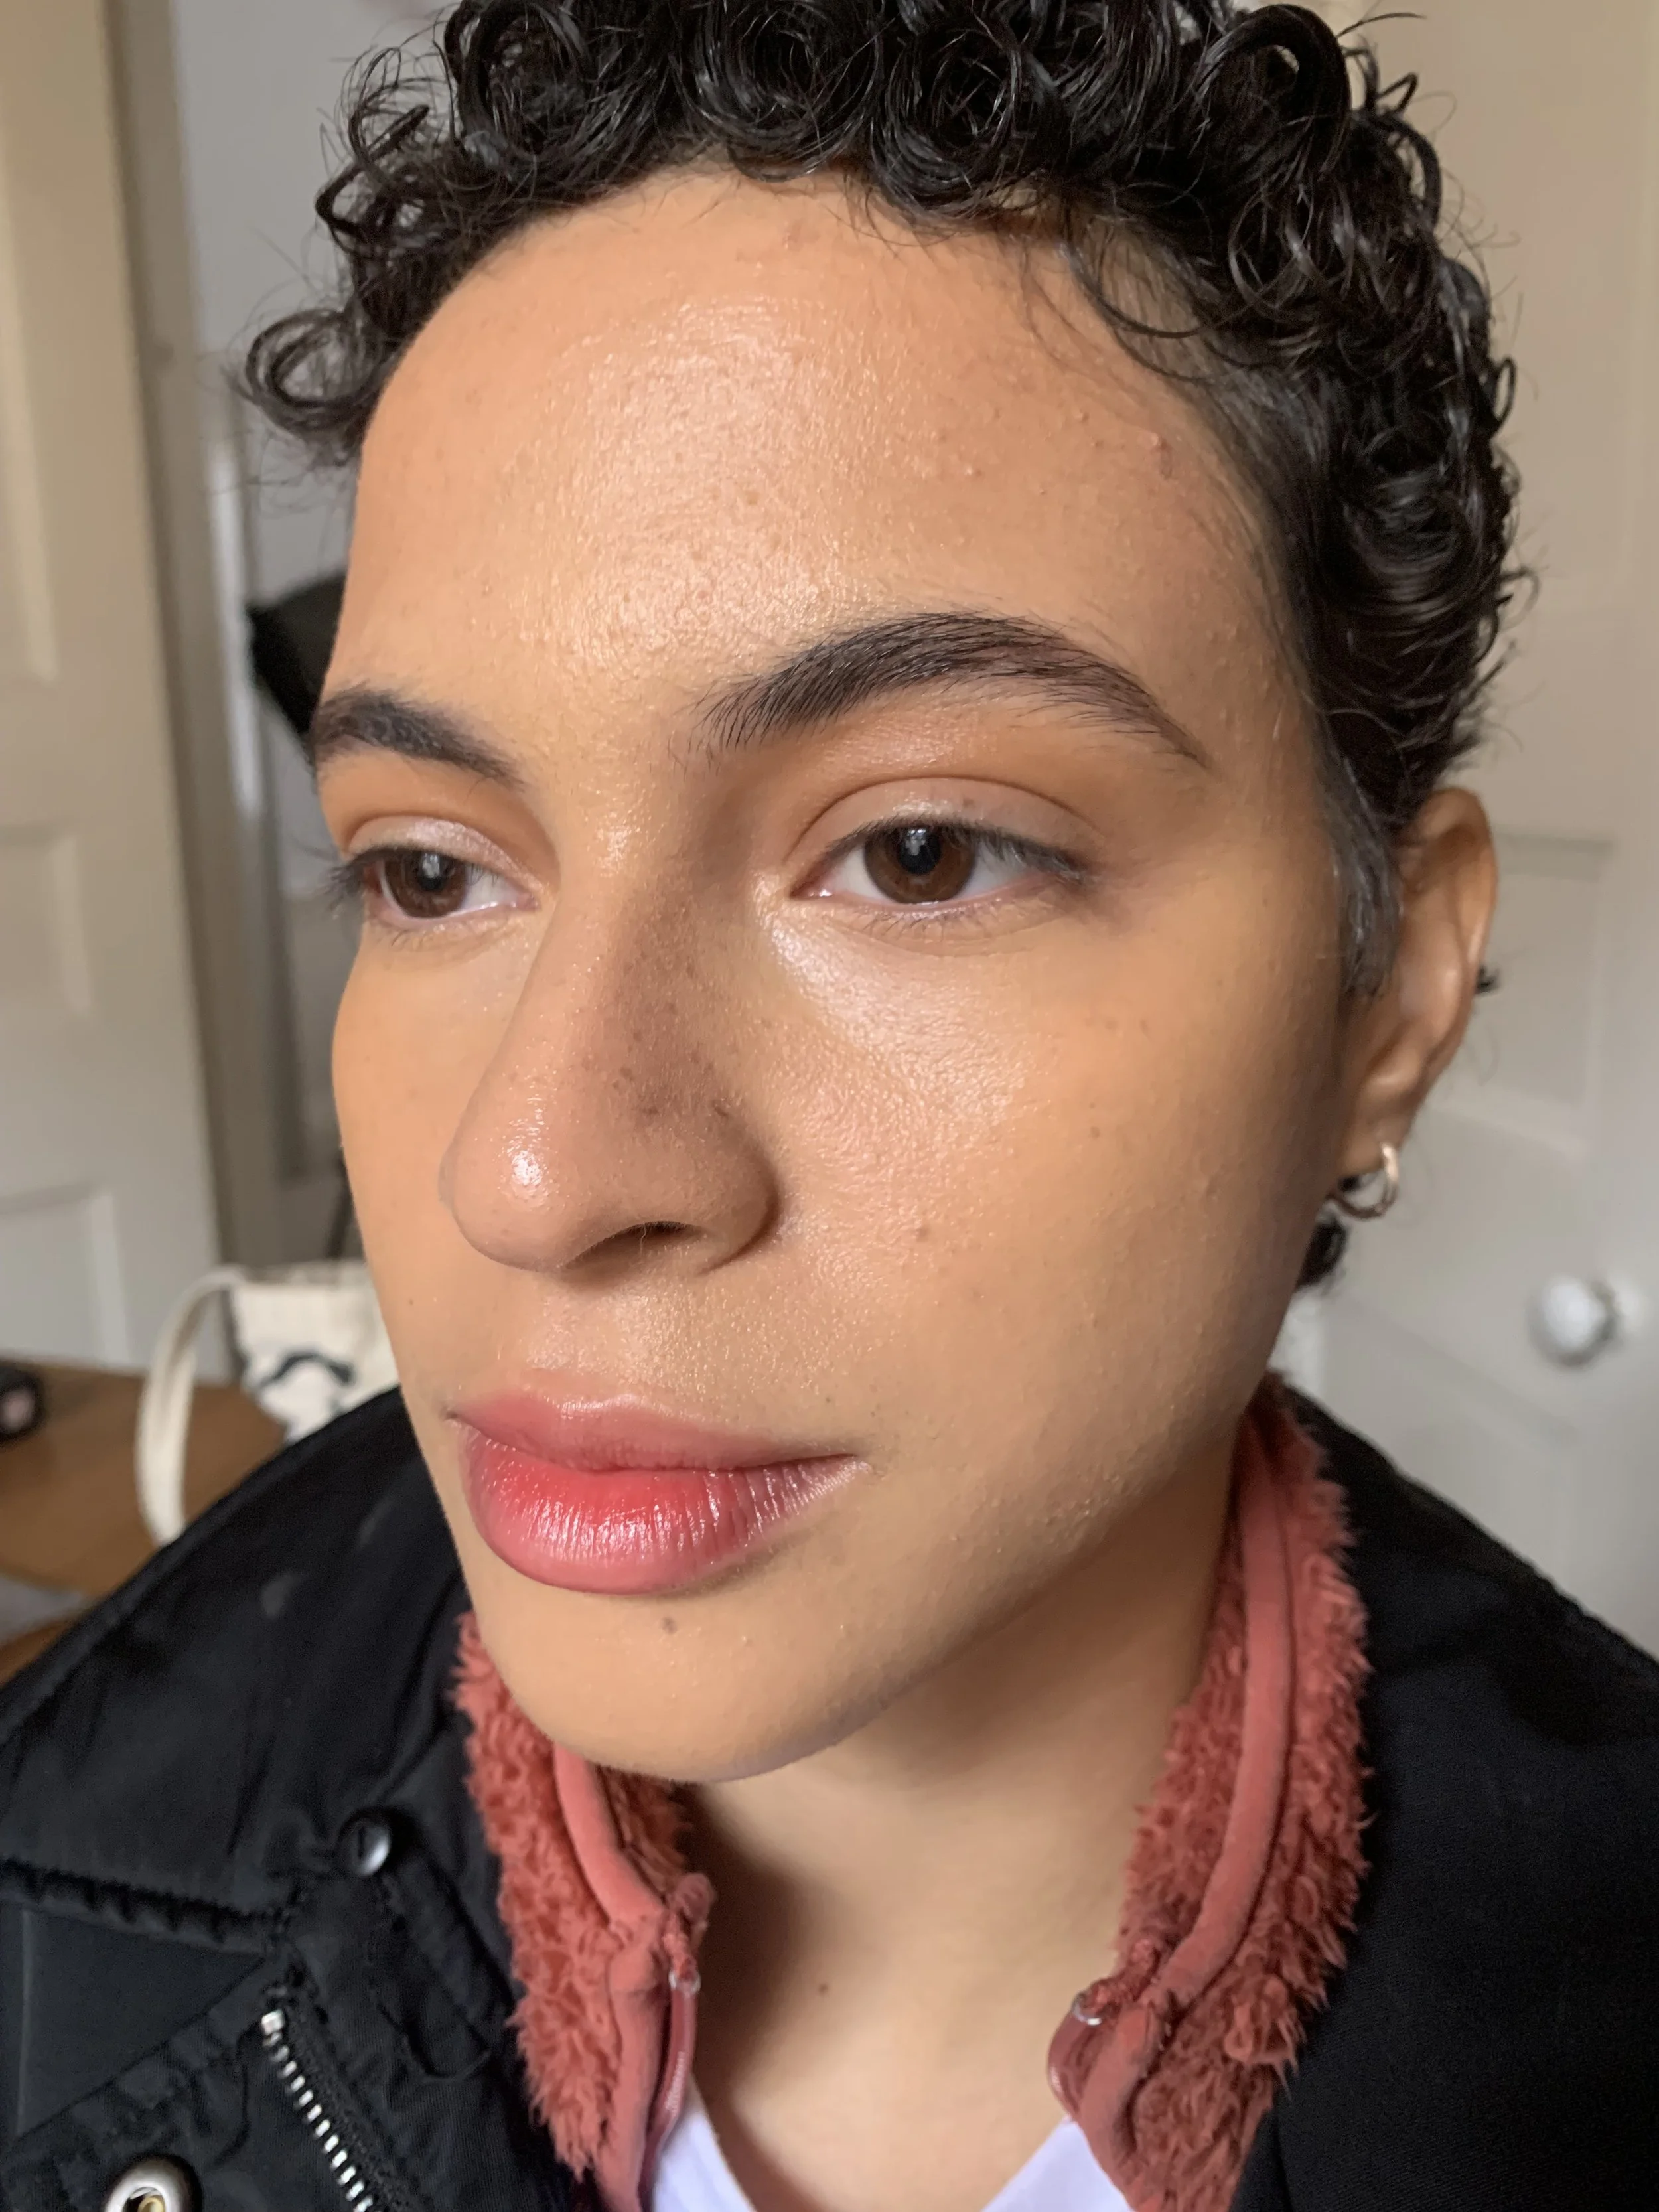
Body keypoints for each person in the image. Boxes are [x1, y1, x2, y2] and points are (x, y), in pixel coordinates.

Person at [3, 4, 1657, 2208]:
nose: (536, 1168)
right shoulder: (49, 1889)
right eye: (431, 868)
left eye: (920, 850)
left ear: (1393, 990)